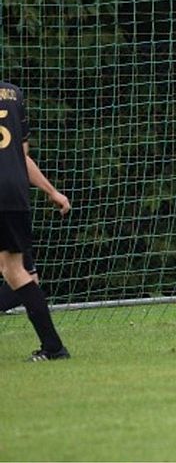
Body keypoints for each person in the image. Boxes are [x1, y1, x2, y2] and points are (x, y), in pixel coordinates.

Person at [0, 80, 72, 361]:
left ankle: (54, 348)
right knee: (20, 273)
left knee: (17, 273)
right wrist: (52, 191)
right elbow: (22, 154)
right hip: (15, 193)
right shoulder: (13, 94)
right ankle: (52, 347)